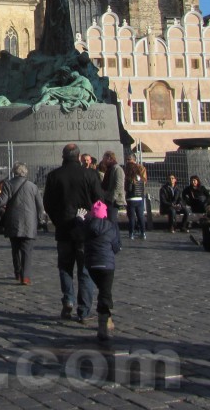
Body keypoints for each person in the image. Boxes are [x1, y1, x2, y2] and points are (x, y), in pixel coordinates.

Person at [43, 143, 105, 320]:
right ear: (79, 157)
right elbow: (99, 201)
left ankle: (68, 299)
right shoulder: (90, 174)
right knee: (85, 269)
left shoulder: (54, 176)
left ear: (63, 156)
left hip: (64, 229)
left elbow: (48, 203)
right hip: (86, 230)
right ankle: (84, 310)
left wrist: (58, 220)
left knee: (65, 267)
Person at [75, 201, 121, 341]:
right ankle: (104, 325)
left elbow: (79, 233)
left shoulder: (87, 226)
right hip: (107, 266)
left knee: (103, 291)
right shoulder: (111, 227)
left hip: (91, 265)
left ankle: (107, 319)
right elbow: (116, 247)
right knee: (105, 294)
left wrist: (79, 219)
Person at [0, 163, 45, 286]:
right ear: (25, 173)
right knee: (27, 250)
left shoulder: (8, 184)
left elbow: (1, 201)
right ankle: (26, 276)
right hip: (29, 222)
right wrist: (40, 219)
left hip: (13, 221)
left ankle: (18, 272)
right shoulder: (33, 186)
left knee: (15, 249)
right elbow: (40, 205)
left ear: (14, 172)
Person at [98, 151, 125, 226]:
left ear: (109, 158)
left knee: (112, 221)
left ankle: (115, 237)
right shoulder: (110, 169)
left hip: (113, 201)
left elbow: (119, 185)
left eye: (104, 158)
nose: (103, 160)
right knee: (109, 220)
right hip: (108, 198)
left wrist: (112, 198)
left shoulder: (117, 169)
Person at [124, 158, 148, 240]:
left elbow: (128, 189)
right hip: (140, 198)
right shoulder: (141, 178)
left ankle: (131, 234)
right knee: (141, 216)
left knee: (131, 218)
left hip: (131, 199)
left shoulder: (129, 178)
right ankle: (143, 233)